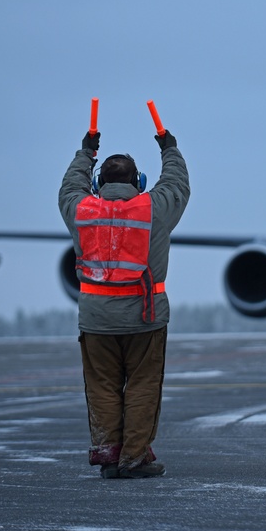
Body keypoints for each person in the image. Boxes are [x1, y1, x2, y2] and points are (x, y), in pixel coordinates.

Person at [58, 124, 189, 479]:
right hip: (145, 319)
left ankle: (109, 453)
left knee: (102, 387)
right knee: (143, 386)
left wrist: (86, 152)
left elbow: (70, 187)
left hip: (96, 320)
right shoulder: (154, 209)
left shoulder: (82, 210)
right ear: (140, 181)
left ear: (98, 184)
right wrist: (169, 148)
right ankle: (133, 458)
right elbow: (177, 184)